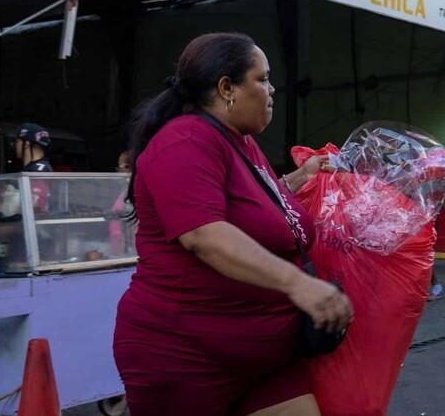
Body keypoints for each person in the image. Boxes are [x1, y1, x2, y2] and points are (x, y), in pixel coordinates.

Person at [113, 32, 353, 415]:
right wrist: (299, 284)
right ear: (227, 88)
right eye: (262, 79)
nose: (272, 90)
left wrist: (303, 181)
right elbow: (205, 235)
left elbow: (262, 206)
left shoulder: (242, 142)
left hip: (266, 360)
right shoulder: (184, 141)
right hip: (187, 359)